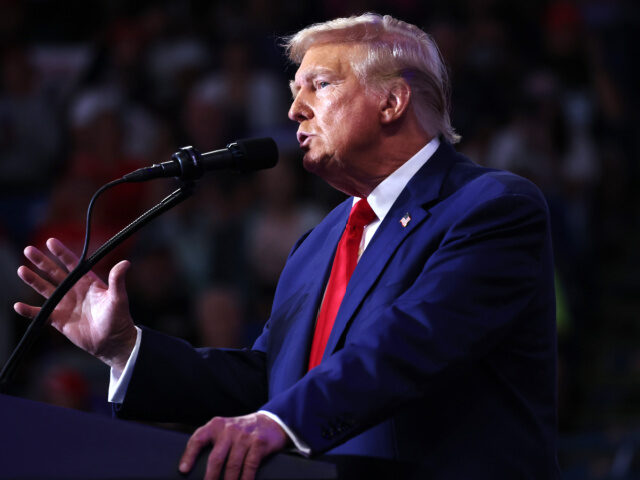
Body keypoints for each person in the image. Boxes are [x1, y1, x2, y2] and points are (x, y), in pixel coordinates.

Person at [14, 13, 560, 480]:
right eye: (294, 92)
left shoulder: (491, 206)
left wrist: (280, 422)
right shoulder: (318, 243)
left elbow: (411, 342)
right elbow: (268, 379)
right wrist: (124, 348)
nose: (295, 110)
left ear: (392, 101)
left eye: (318, 86)